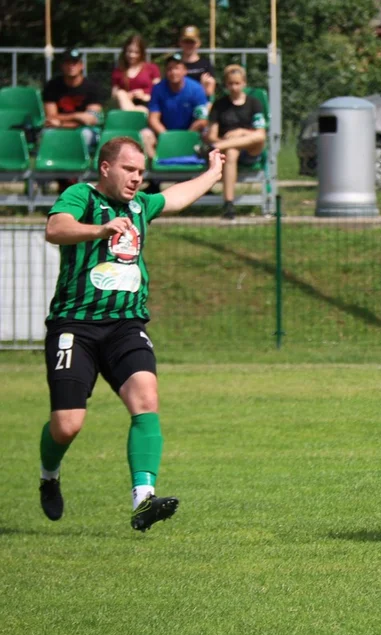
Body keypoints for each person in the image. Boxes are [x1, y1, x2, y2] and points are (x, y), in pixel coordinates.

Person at [38, 136, 225, 532]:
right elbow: (56, 229)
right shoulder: (81, 196)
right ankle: (49, 475)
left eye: (141, 171)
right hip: (76, 325)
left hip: (126, 324)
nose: (137, 178)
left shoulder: (141, 205)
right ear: (106, 168)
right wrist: (100, 229)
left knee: (146, 398)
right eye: (129, 169)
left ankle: (143, 499)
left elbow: (175, 197)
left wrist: (212, 173)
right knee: (68, 424)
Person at [206, 65, 266, 220]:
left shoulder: (254, 103)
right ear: (226, 85)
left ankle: (217, 148)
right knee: (231, 152)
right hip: (228, 147)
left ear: (244, 83)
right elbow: (212, 134)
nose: (234, 87)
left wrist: (240, 133)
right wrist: (225, 140)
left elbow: (260, 133)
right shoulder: (219, 105)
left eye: (237, 83)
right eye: (230, 84)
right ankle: (229, 203)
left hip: (251, 148)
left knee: (258, 137)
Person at [142, 53, 208, 159]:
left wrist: (185, 137)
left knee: (208, 132)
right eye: (169, 69)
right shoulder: (158, 89)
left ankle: (206, 166)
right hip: (164, 133)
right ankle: (157, 164)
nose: (173, 72)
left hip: (190, 133)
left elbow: (202, 119)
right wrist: (168, 137)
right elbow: (153, 119)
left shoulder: (196, 89)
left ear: (185, 71)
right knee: (145, 134)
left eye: (177, 68)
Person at [42, 48, 106, 151]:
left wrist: (62, 123)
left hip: (83, 129)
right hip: (59, 127)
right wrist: (78, 116)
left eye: (75, 62)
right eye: (67, 62)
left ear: (82, 65)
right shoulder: (52, 86)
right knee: (46, 134)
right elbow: (51, 116)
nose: (71, 66)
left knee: (85, 135)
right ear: (62, 66)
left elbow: (90, 119)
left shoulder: (93, 87)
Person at [110, 34, 161, 114]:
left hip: (146, 103)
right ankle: (133, 115)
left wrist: (144, 95)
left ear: (141, 53)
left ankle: (133, 116)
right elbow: (114, 94)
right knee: (121, 93)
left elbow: (159, 90)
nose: (132, 55)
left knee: (142, 108)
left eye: (136, 52)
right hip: (125, 104)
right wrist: (128, 96)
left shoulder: (152, 68)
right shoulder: (118, 71)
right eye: (129, 51)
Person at [178, 25, 217, 99]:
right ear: (180, 43)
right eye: (186, 42)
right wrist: (201, 86)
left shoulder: (206, 64)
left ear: (198, 43)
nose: (189, 45)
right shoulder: (175, 65)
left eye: (192, 42)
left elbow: (209, 91)